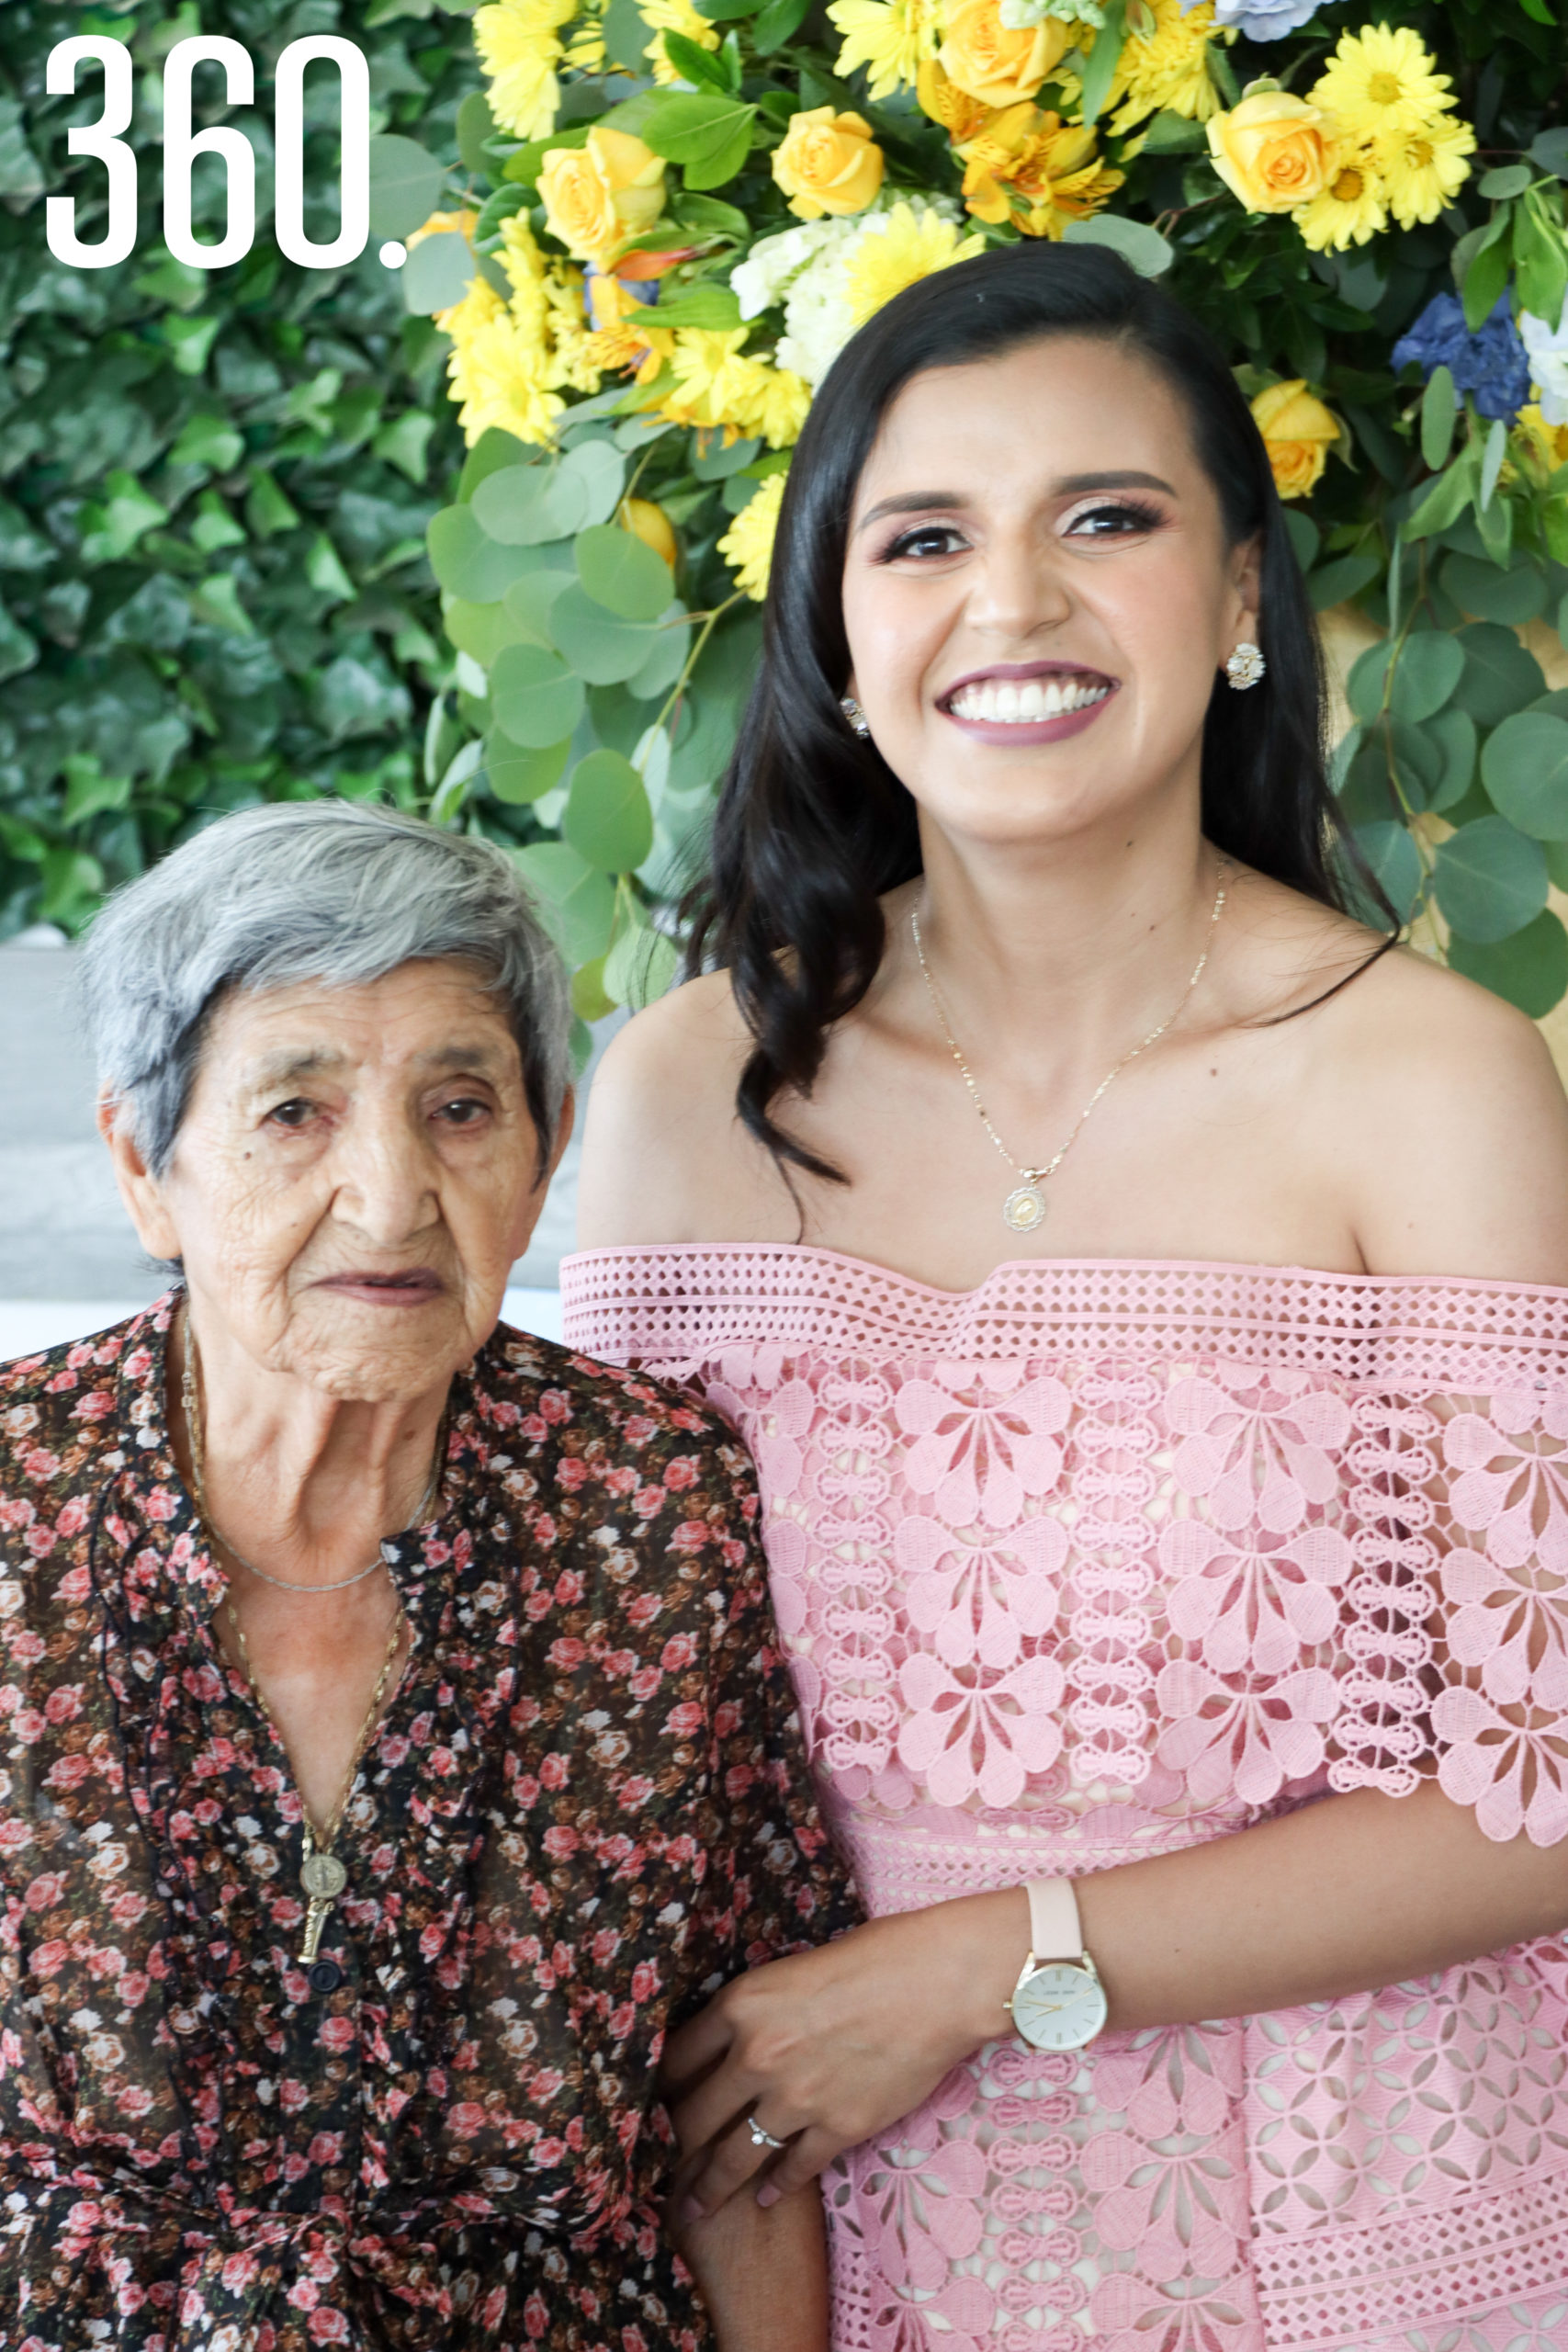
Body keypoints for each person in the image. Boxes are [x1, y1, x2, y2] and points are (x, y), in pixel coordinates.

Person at [564, 241, 1568, 2352]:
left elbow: (1543, 1772)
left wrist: (981, 1959)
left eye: (1102, 519)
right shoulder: (683, 1090)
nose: (1008, 603)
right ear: (837, 635)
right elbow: (611, 1719)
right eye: (923, 537)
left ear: (1232, 608)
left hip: (1359, 2228)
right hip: (816, 2239)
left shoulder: (1428, 1079)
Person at [0, 800, 856, 2351]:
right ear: (147, 1165)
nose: (392, 1197)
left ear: (543, 1154)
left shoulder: (651, 1503)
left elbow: (742, 2114)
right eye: (294, 1113)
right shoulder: (16, 1506)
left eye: (461, 1106)